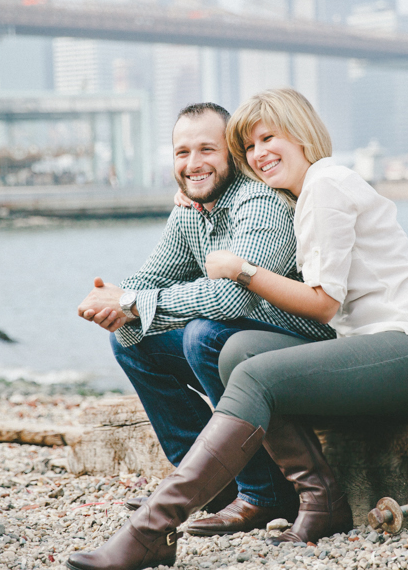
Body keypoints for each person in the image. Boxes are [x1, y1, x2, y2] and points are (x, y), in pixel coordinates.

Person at [66, 89, 408, 570]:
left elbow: (322, 304)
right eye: (250, 146)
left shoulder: (325, 184)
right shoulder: (293, 194)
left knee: (244, 365)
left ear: (301, 135)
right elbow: (157, 276)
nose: (259, 154)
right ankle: (317, 501)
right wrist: (118, 301)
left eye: (267, 139)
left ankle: (153, 527)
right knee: (238, 351)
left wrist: (241, 270)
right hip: (369, 351)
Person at [74, 102, 335, 545]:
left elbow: (233, 297)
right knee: (132, 341)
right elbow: (154, 274)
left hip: (305, 348)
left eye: (207, 150)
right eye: (182, 153)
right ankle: (213, 487)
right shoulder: (192, 208)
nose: (193, 164)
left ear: (232, 153)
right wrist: (115, 303)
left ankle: (265, 493)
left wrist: (134, 301)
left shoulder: (259, 202)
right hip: (248, 340)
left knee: (205, 336)